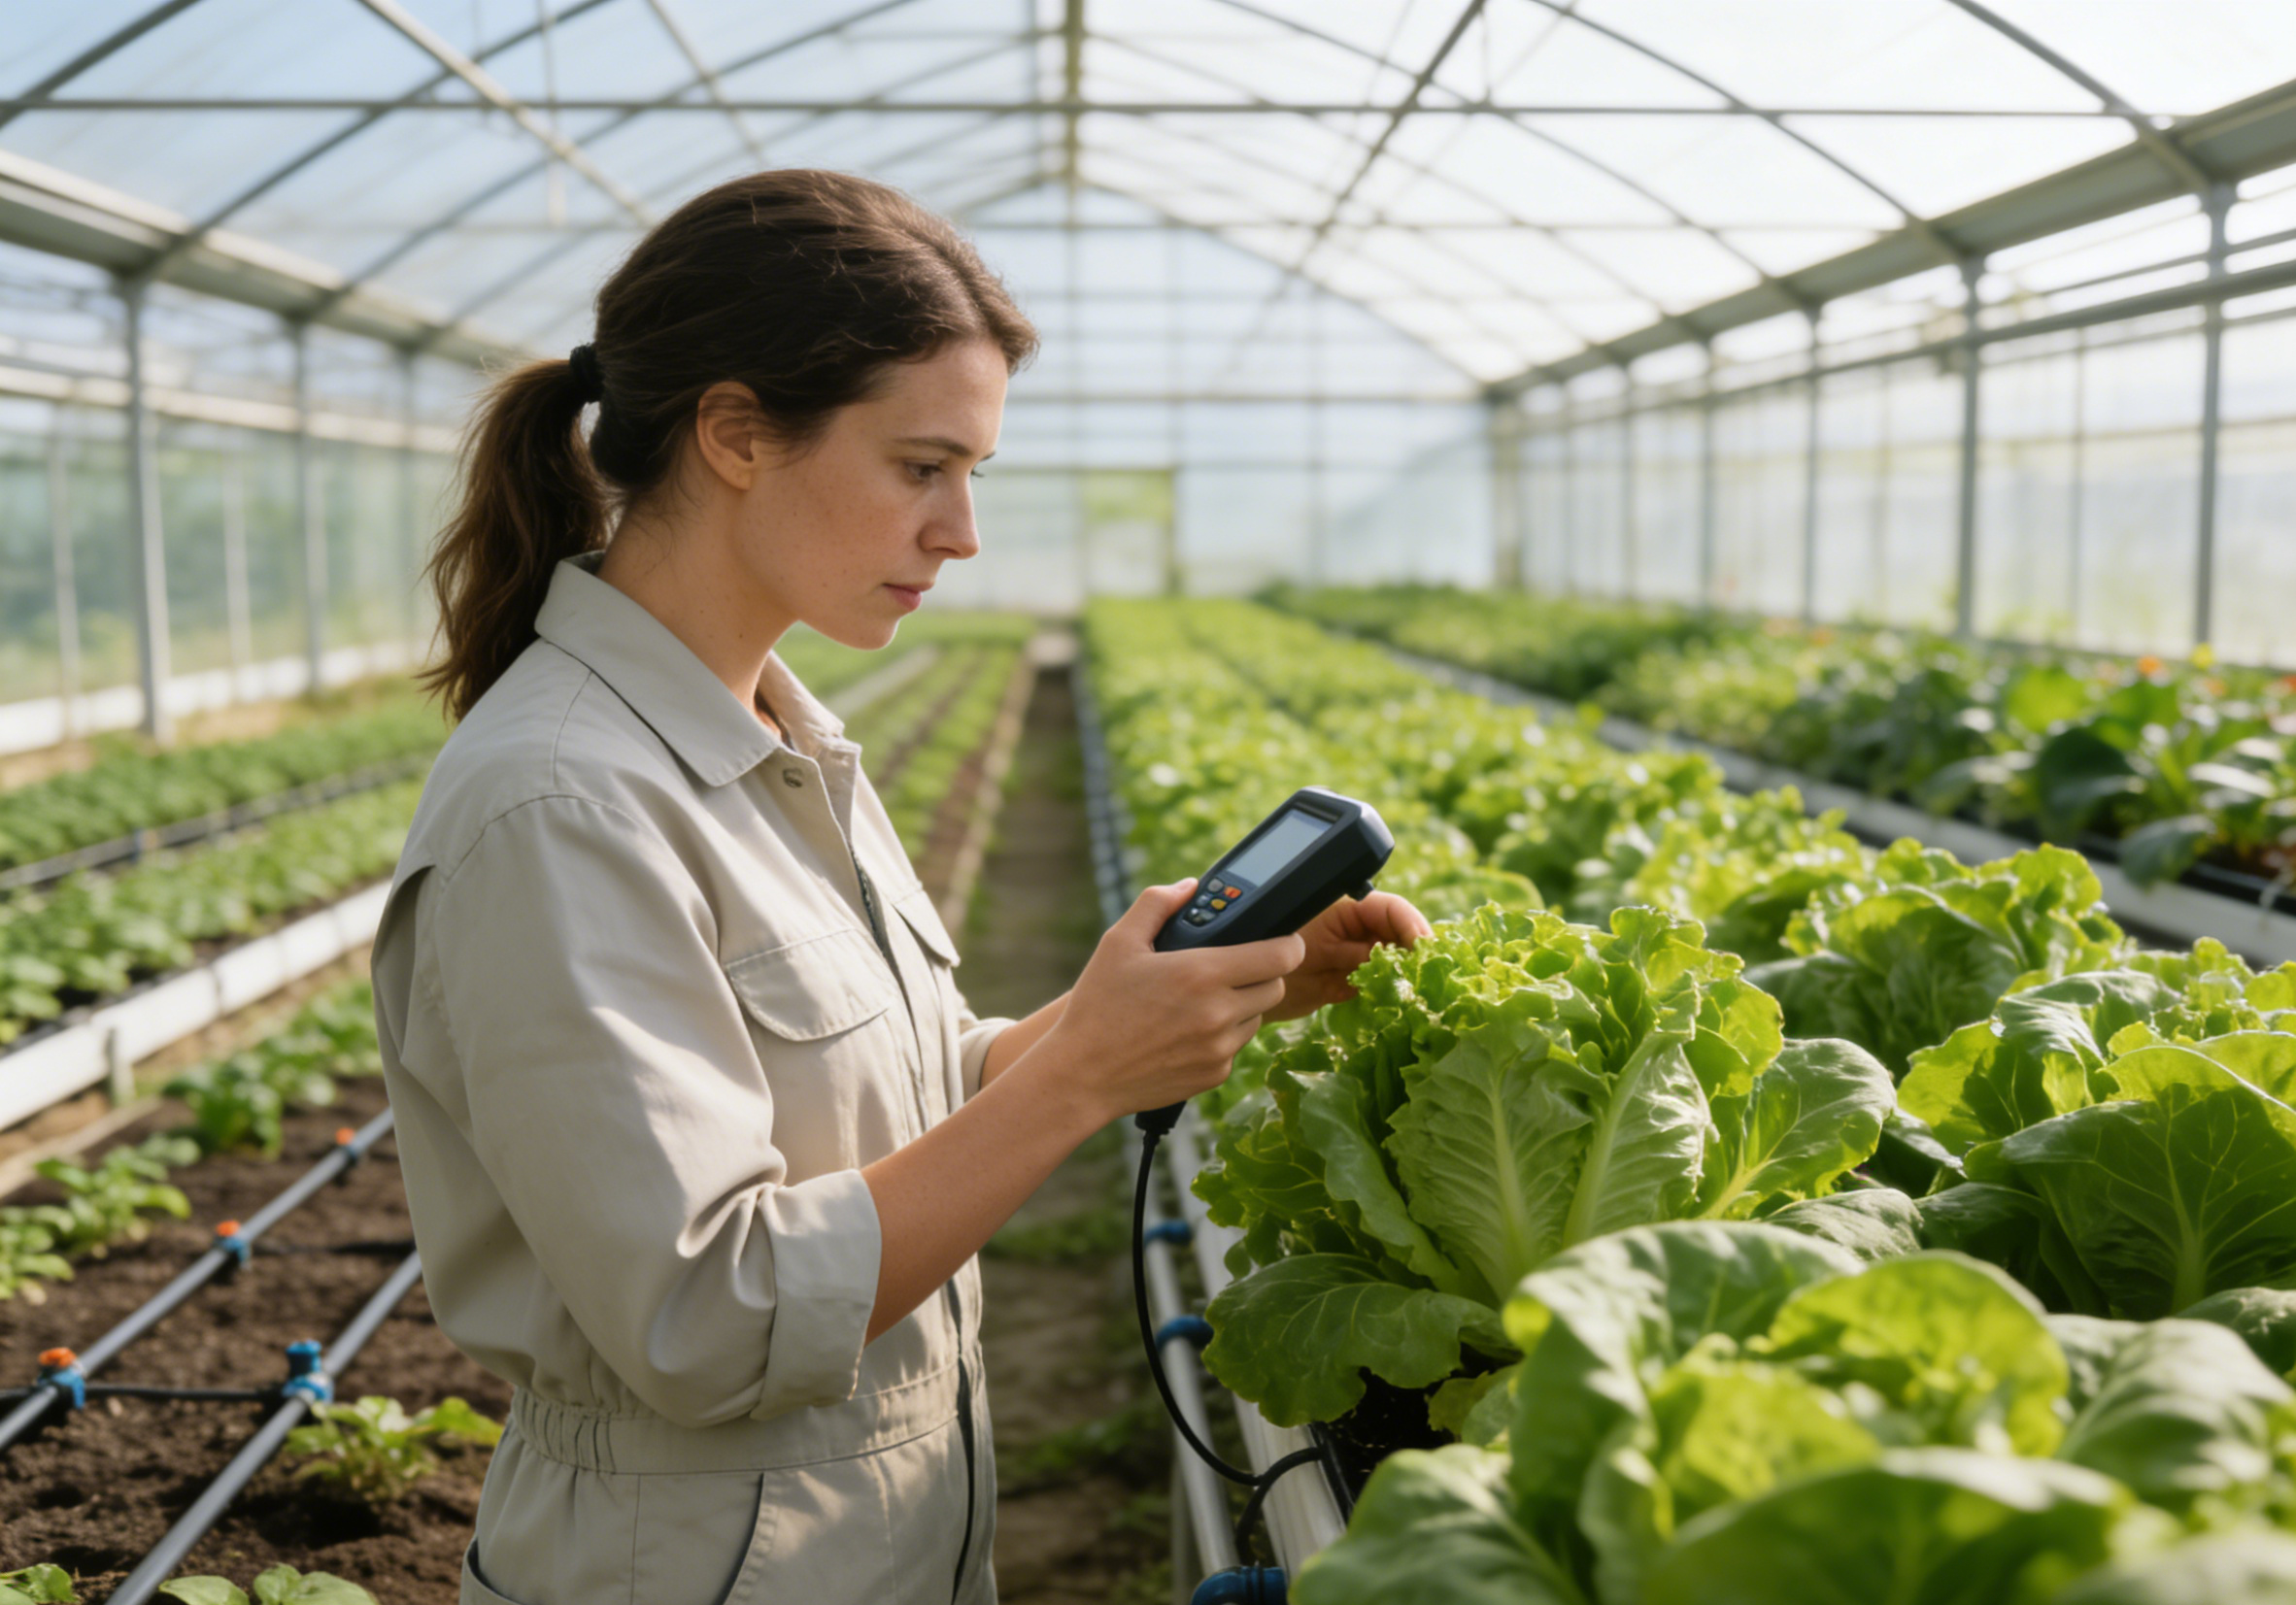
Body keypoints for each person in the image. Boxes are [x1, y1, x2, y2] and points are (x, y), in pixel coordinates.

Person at [368, 169, 1434, 1605]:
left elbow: (912, 1094)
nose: (961, 531)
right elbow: (706, 1315)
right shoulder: (561, 805)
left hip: (867, 1535)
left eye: (973, 476)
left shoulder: (776, 740)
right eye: (922, 467)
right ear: (736, 434)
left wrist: (1152, 1004)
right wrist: (1082, 1084)